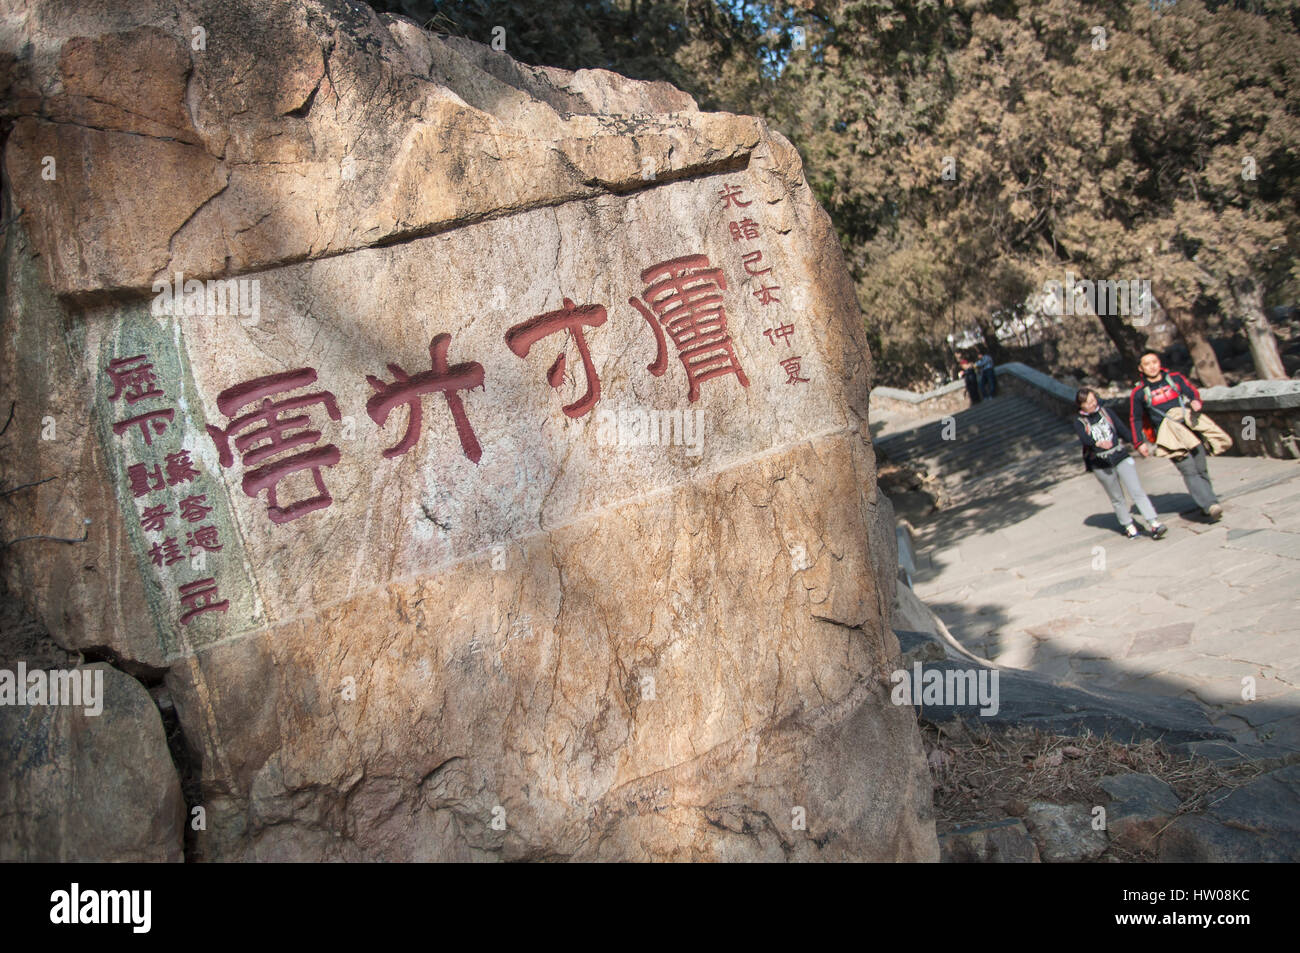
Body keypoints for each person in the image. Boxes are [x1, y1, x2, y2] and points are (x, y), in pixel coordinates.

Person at [1127, 352, 1223, 522]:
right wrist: (1139, 442)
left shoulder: (1175, 379)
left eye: (1154, 362)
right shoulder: (1139, 392)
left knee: (1201, 468)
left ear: (1159, 363)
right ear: (1141, 368)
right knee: (1188, 470)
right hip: (1168, 437)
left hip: (1189, 429)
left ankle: (1208, 503)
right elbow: (1135, 418)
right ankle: (1210, 505)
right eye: (1147, 364)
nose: (1152, 366)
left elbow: (1191, 392)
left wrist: (1195, 401)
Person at [1073, 388, 1167, 539]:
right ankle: (1128, 525)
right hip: (1101, 464)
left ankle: (1154, 523)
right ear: (1080, 405)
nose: (1091, 404)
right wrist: (1098, 443)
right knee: (1117, 497)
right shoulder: (1079, 422)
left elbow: (1122, 430)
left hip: (1120, 455)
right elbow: (1085, 439)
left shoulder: (1106, 412)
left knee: (1137, 490)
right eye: (1087, 403)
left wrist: (1138, 444)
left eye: (1093, 400)